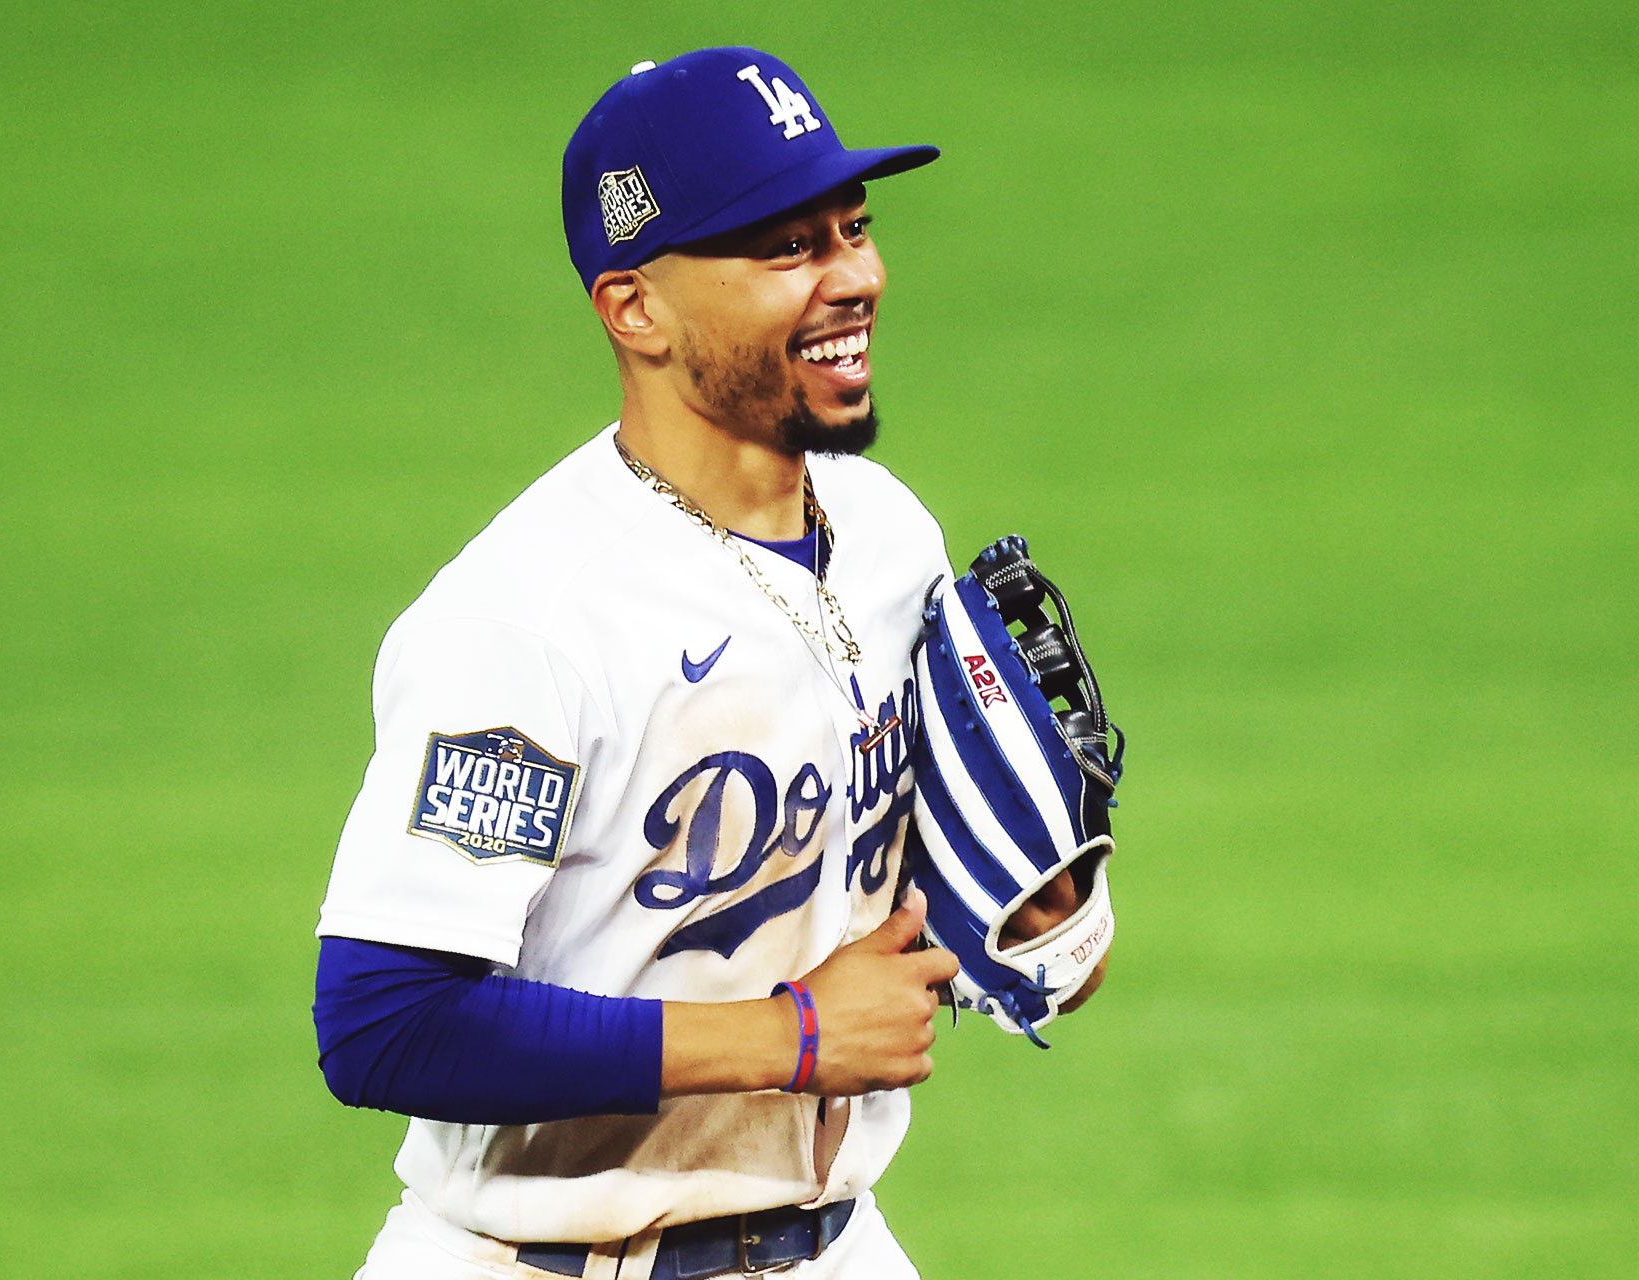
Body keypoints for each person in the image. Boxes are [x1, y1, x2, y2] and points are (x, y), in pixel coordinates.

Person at [313, 46, 1107, 1280]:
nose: (853, 279)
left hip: (837, 1247)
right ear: (636, 307)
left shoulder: (890, 535)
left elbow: (891, 914)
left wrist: (1035, 912)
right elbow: (385, 1022)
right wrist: (786, 1036)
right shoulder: (527, 617)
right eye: (786, 250)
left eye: (853, 228)